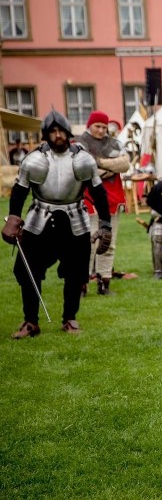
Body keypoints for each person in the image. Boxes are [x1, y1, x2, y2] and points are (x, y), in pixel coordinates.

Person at [2, 110, 112, 338]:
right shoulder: (34, 159)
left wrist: (105, 223)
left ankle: (70, 318)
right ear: (46, 134)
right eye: (52, 131)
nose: (58, 135)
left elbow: (99, 193)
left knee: (76, 273)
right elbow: (20, 191)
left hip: (76, 221)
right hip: (39, 221)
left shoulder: (83, 159)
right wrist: (14, 217)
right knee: (29, 271)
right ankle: (30, 321)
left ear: (68, 132)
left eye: (61, 130)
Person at [76, 111, 130, 295]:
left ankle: (104, 282)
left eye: (104, 127)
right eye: (97, 126)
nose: (101, 130)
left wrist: (99, 163)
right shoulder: (79, 144)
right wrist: (108, 167)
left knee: (109, 241)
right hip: (88, 198)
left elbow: (125, 164)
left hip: (112, 199)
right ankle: (82, 283)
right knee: (88, 242)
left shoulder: (114, 143)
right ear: (89, 125)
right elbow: (82, 169)